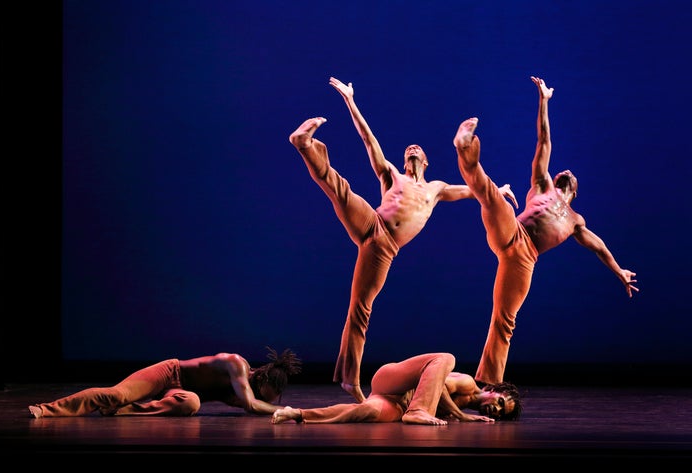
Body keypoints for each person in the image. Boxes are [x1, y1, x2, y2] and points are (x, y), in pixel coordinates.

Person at [290, 77, 518, 403]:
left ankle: (349, 380)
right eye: (408, 149)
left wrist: (501, 192)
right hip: (372, 222)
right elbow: (369, 141)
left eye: (418, 149)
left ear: (426, 161)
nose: (411, 149)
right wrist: (351, 101)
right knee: (339, 189)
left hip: (384, 248)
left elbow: (475, 190)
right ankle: (304, 144)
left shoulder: (435, 188)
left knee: (361, 309)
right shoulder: (391, 175)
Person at [453, 76, 639, 386]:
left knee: (505, 320)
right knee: (492, 198)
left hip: (525, 259)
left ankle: (487, 384)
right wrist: (544, 101)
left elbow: (599, 247)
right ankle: (465, 148)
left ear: (575, 192)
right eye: (563, 171)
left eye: (571, 176)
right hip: (513, 232)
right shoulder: (543, 185)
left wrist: (619, 270)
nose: (566, 172)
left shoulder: (576, 219)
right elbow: (544, 141)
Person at [28, 347, 301, 418]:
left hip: (183, 391)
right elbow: (252, 405)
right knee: (116, 394)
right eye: (267, 393)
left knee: (191, 403)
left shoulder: (241, 393)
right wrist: (291, 413)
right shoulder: (236, 364)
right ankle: (47, 409)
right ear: (262, 376)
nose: (264, 399)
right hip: (170, 373)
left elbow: (252, 404)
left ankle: (123, 413)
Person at [271, 352, 521, 425]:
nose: (496, 409)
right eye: (500, 401)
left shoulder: (473, 410)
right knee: (446, 359)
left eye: (501, 412)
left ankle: (297, 413)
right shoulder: (467, 384)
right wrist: (460, 415)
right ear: (492, 388)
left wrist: (462, 415)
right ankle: (417, 411)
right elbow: (437, 387)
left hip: (396, 401)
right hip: (393, 380)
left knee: (364, 412)